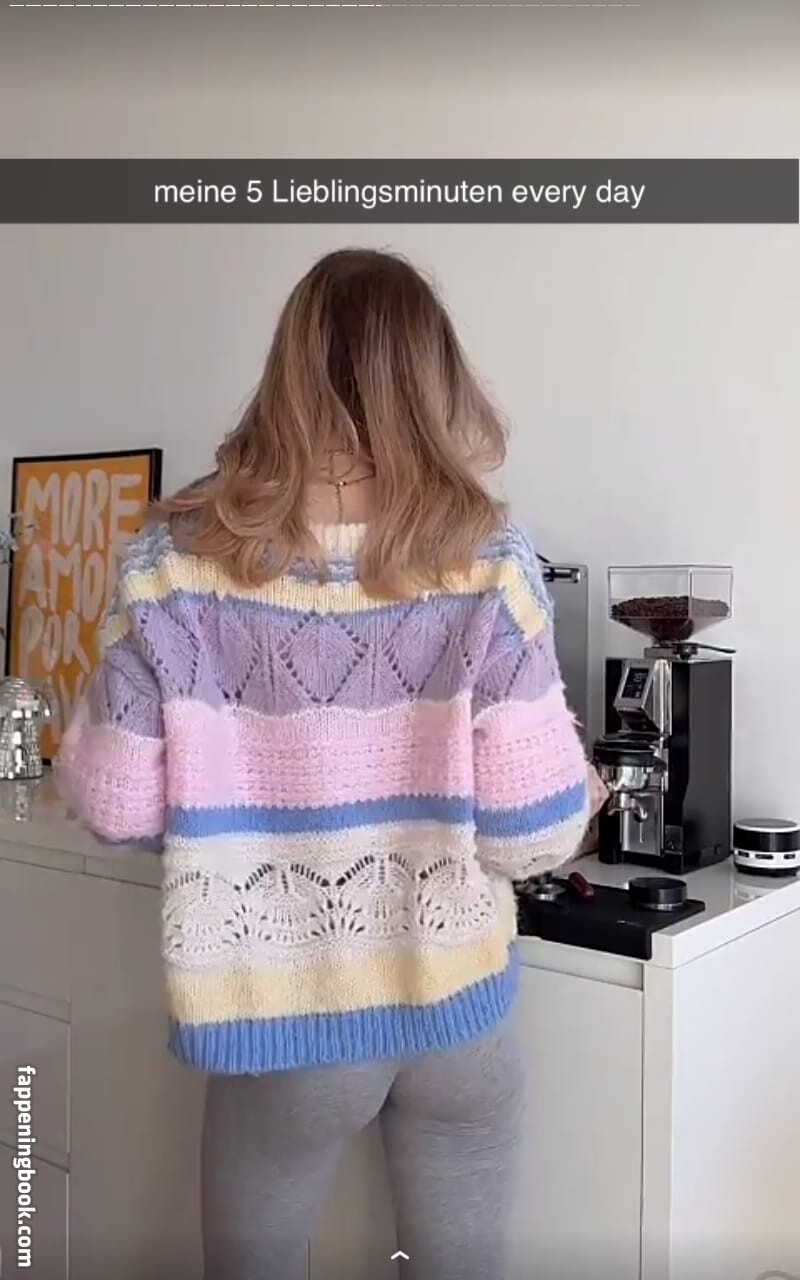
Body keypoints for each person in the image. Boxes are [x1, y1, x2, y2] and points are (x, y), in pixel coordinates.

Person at [55, 248, 596, 1280]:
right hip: (457, 1014)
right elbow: (532, 833)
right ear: (434, 380)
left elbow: (114, 803)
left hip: (285, 1012)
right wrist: (588, 789)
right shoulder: (490, 557)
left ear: (288, 367)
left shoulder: (175, 562)